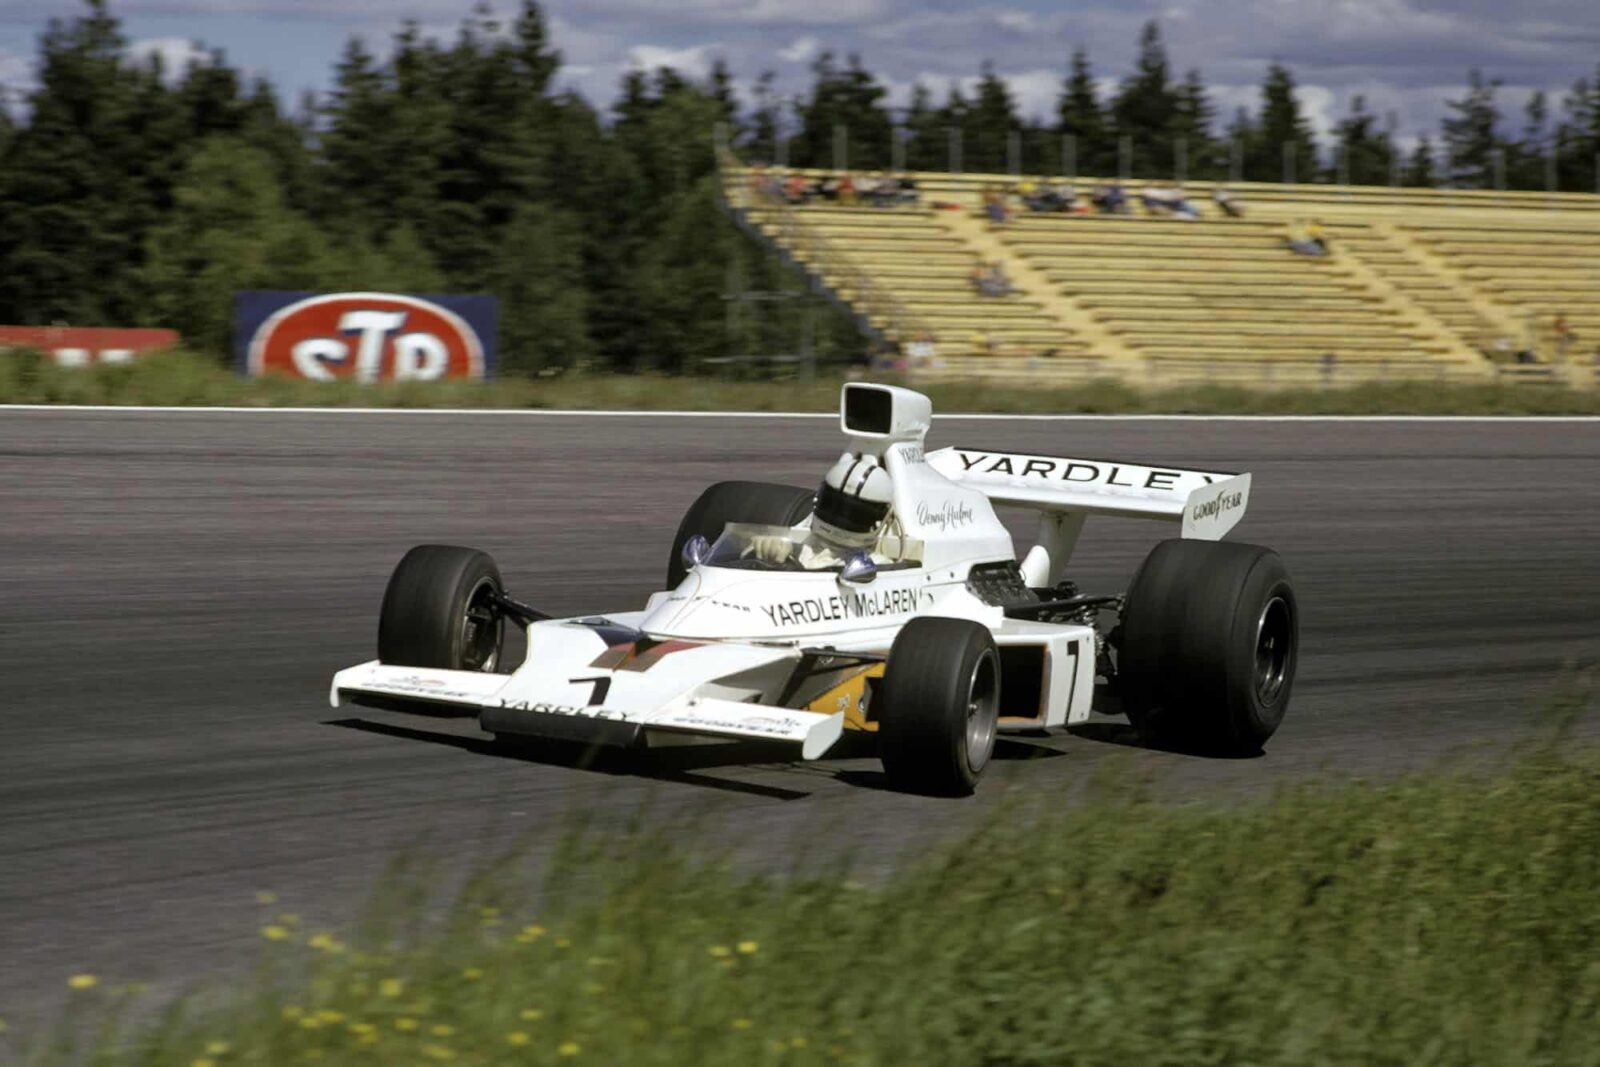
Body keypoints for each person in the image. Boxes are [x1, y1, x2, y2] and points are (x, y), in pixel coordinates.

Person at [748, 452, 896, 569]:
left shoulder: (876, 565)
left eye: (856, 514)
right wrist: (761, 550)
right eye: (832, 505)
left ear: (881, 520)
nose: (840, 518)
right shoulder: (795, 546)